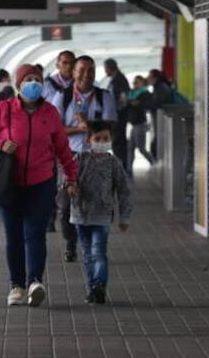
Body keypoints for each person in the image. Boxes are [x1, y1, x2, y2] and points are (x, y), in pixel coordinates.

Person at [0, 64, 79, 307]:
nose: (33, 83)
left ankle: (34, 282)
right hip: (9, 184)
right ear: (18, 84)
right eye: (28, 79)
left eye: (37, 79)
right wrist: (0, 143)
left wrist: (72, 177)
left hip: (41, 183)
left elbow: (63, 149)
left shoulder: (50, 113)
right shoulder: (4, 110)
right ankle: (16, 286)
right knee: (13, 236)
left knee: (35, 234)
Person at [51, 55, 117, 263]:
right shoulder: (62, 97)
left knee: (97, 202)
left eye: (91, 70)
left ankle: (93, 246)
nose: (86, 74)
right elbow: (53, 130)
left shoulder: (104, 96)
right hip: (68, 157)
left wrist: (89, 124)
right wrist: (76, 128)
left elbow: (111, 127)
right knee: (65, 205)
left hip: (97, 156)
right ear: (73, 72)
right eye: (82, 70)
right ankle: (71, 242)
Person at [71, 120, 132, 304]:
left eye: (106, 138)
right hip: (80, 214)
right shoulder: (80, 159)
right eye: (98, 138)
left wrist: (125, 217)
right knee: (87, 253)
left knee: (98, 252)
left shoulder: (114, 163)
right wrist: (69, 186)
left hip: (103, 216)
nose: (102, 142)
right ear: (89, 140)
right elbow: (67, 177)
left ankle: (99, 285)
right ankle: (93, 286)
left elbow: (123, 190)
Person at [42, 50, 76, 233]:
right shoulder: (47, 86)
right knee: (50, 180)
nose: (68, 66)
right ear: (57, 64)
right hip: (49, 141)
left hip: (72, 144)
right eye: (64, 62)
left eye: (71, 63)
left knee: (68, 181)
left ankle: (68, 218)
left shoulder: (82, 85)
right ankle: (50, 216)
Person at [103, 58, 131, 171]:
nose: (105, 71)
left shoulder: (119, 80)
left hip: (119, 117)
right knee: (117, 142)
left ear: (109, 68)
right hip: (117, 117)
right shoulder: (117, 79)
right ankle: (120, 167)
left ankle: (121, 168)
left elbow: (123, 100)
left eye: (105, 68)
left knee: (118, 143)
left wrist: (116, 112)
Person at [126, 76, 155, 173]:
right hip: (134, 125)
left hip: (140, 124)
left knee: (141, 148)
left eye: (136, 83)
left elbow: (140, 105)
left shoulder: (145, 93)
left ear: (142, 83)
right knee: (130, 148)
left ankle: (153, 163)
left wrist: (130, 102)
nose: (134, 85)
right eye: (133, 83)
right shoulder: (132, 93)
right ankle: (129, 169)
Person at [147, 69, 172, 159]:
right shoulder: (159, 86)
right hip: (158, 119)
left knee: (156, 143)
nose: (147, 79)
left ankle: (157, 159)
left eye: (149, 77)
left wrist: (148, 104)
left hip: (161, 119)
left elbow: (158, 103)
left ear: (155, 77)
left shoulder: (160, 87)